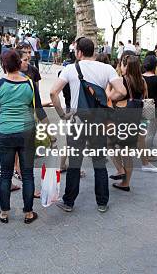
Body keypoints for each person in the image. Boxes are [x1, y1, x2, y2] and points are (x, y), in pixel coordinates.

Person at [50, 37, 126, 213]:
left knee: (75, 162)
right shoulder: (107, 68)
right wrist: (106, 101)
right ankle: (102, 202)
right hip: (98, 121)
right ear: (94, 51)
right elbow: (122, 91)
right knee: (99, 161)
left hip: (77, 120)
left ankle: (69, 201)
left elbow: (53, 92)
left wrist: (63, 114)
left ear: (79, 52)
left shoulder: (70, 68)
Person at [0, 49, 46, 224]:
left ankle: (4, 213)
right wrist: (50, 133)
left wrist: (1, 128)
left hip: (5, 133)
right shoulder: (29, 84)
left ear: (4, 66)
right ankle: (28, 213)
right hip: (27, 133)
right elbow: (40, 111)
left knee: (5, 174)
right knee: (28, 174)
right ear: (19, 64)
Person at [109, 53, 148, 191]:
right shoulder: (142, 81)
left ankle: (120, 170)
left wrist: (109, 87)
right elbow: (144, 97)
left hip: (121, 118)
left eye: (121, 64)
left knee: (109, 144)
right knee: (127, 152)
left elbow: (111, 97)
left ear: (126, 66)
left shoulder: (122, 80)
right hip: (135, 119)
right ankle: (126, 183)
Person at [141, 55, 157, 172]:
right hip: (155, 107)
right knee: (150, 132)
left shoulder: (139, 78)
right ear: (155, 66)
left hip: (142, 106)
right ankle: (146, 155)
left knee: (143, 132)